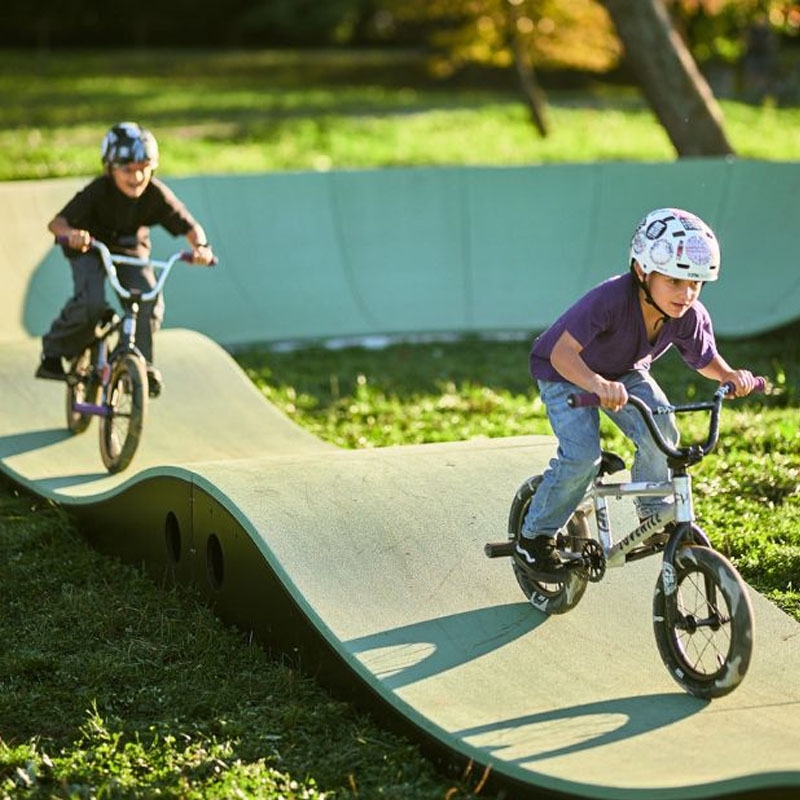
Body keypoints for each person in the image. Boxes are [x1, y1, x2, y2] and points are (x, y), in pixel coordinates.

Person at [516, 207, 758, 578]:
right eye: (675, 282)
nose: (687, 293)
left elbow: (703, 357)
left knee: (662, 424)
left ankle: (653, 513)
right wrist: (596, 385)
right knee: (582, 457)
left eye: (695, 283)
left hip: (625, 373)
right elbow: (563, 353)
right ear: (642, 271)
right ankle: (534, 538)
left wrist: (729, 375)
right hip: (564, 373)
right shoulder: (610, 300)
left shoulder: (688, 315)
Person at [36, 121, 215, 397]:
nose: (137, 177)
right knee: (91, 303)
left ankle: (136, 364)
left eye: (144, 167)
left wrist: (201, 246)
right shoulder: (98, 191)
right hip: (91, 248)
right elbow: (56, 223)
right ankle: (54, 351)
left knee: (147, 300)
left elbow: (189, 225)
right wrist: (72, 235)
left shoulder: (155, 194)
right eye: (127, 170)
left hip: (130, 249)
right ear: (110, 168)